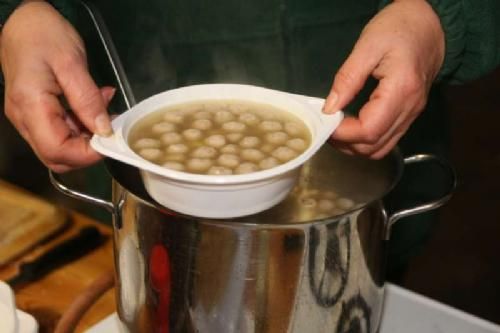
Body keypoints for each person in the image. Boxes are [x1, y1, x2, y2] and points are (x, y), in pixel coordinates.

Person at [0, 0, 499, 280]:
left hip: (359, 47)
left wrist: (440, 18)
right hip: (128, 61)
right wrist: (21, 13)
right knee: (149, 275)